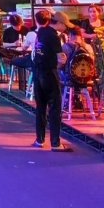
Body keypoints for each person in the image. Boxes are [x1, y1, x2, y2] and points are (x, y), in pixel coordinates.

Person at [31, 9, 72, 152]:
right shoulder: (54, 36)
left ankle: (39, 139)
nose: (66, 28)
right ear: (59, 23)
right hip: (49, 73)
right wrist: (63, 61)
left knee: (41, 107)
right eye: (65, 25)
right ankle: (55, 143)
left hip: (37, 71)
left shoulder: (42, 31)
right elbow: (60, 57)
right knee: (54, 107)